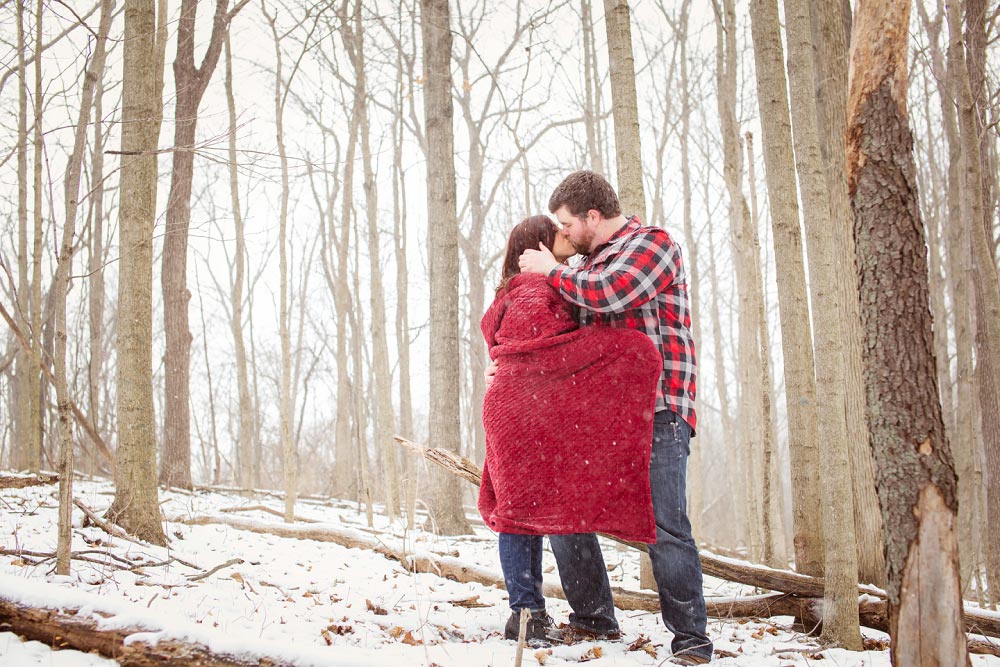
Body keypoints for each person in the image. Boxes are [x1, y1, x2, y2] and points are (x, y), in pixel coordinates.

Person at [516, 171, 713, 665]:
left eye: (566, 223)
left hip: (659, 410)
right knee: (565, 515)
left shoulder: (653, 245)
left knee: (665, 527)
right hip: (599, 419)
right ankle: (593, 619)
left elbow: (612, 292)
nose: (562, 233)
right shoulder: (583, 265)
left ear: (593, 217)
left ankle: (691, 641)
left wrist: (549, 270)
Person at [479, 214, 662, 646]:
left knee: (533, 512)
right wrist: (627, 349)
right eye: (558, 231)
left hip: (532, 413)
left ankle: (568, 616)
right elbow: (543, 349)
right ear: (538, 245)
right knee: (520, 516)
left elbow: (527, 352)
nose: (566, 234)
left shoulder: (539, 286)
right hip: (521, 416)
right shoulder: (531, 291)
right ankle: (527, 615)